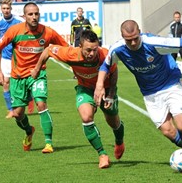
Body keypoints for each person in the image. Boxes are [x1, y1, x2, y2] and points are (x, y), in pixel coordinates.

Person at [94, 20, 182, 167]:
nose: (133, 43)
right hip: (150, 94)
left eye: (136, 38)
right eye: (129, 40)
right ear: (122, 37)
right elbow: (106, 65)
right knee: (168, 132)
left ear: (140, 31)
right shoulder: (118, 49)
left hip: (171, 85)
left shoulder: (154, 42)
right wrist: (99, 85)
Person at [31, 30, 125, 169]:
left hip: (106, 90)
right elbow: (48, 50)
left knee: (113, 122)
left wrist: (111, 94)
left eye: (95, 49)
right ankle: (102, 154)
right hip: (85, 89)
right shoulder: (70, 54)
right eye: (88, 50)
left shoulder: (105, 54)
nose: (92, 54)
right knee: (86, 118)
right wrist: (37, 69)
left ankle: (119, 141)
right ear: (80, 46)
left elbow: (114, 72)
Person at [0, 2, 69, 153]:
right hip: (18, 77)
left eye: (36, 14)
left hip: (37, 74)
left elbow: (66, 48)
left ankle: (48, 143)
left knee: (41, 103)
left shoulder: (48, 32)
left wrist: (75, 67)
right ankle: (29, 131)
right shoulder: (14, 31)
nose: (34, 17)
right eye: (30, 14)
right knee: (17, 113)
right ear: (24, 16)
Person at [0, 0, 29, 119]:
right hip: (6, 58)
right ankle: (11, 110)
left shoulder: (18, 22)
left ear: (11, 8)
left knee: (22, 82)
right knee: (6, 82)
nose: (6, 10)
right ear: (1, 9)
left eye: (8, 8)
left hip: (19, 57)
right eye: (4, 8)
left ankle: (28, 99)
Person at [168, 11, 182, 76]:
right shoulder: (172, 25)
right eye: (175, 17)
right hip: (174, 45)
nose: (177, 18)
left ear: (180, 17)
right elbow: (169, 34)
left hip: (181, 44)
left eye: (178, 17)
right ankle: (172, 73)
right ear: (173, 18)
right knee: (172, 59)